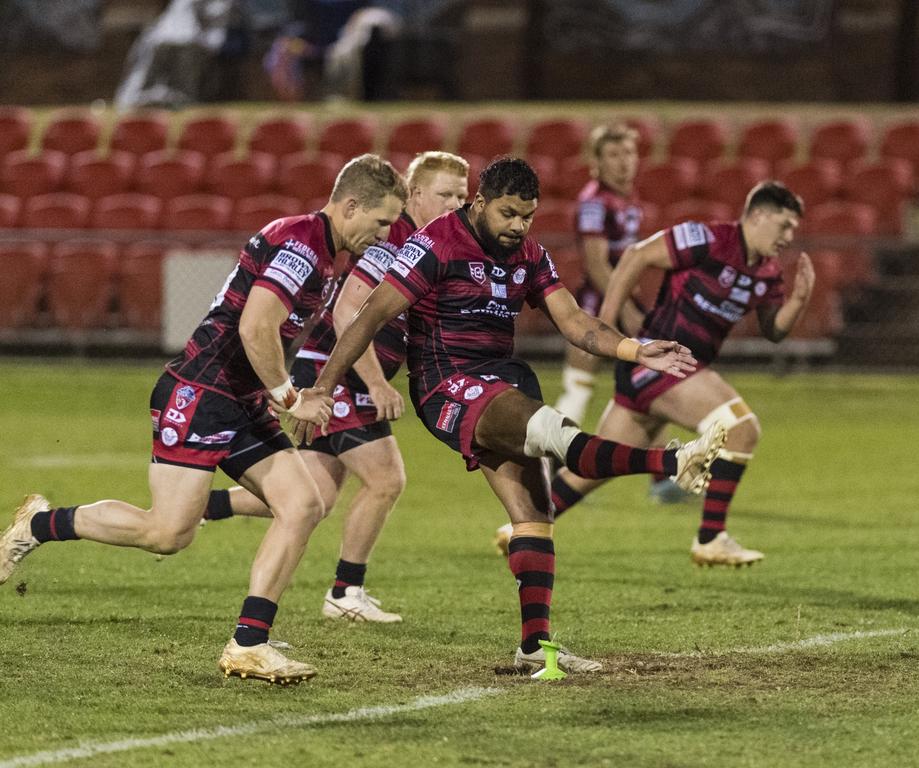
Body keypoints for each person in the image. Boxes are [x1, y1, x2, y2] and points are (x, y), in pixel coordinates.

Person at [293, 157, 726, 675]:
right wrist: (322, 385)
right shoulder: (435, 244)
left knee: (534, 518)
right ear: (479, 204)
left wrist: (635, 349)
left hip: (503, 380)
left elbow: (574, 321)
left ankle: (533, 649)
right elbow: (371, 315)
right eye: (508, 214)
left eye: (527, 215)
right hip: (448, 385)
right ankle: (670, 461)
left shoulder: (530, 254)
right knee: (555, 434)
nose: (518, 226)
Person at [0, 154, 408, 685]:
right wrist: (289, 397)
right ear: (351, 205)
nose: (383, 235)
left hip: (239, 399)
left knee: (303, 504)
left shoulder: (327, 251)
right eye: (380, 222)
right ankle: (35, 526)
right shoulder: (302, 244)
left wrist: (287, 394)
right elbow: (255, 327)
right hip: (200, 393)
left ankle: (249, 643)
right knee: (168, 533)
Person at [202, 151, 470, 624]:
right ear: (416, 194)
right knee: (387, 481)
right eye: (445, 194)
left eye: (462, 196)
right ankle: (345, 592)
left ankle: (205, 506)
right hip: (337, 375)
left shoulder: (430, 243)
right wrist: (375, 384)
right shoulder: (396, 240)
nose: (455, 204)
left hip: (332, 374)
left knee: (314, 500)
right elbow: (348, 310)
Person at [543, 181, 815, 567]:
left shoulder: (768, 271)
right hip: (663, 362)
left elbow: (774, 330)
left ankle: (523, 528)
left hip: (661, 375)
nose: (789, 236)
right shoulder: (708, 238)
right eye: (784, 225)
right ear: (758, 216)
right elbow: (637, 255)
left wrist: (800, 300)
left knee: (593, 468)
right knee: (742, 428)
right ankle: (711, 537)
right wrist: (606, 327)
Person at [549, 121, 683, 509]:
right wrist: (624, 308)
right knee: (581, 386)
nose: (623, 162)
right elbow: (596, 265)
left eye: (628, 153)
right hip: (597, 306)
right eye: (613, 154)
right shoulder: (594, 201)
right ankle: (551, 468)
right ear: (596, 161)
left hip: (620, 303)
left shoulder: (628, 198)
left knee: (651, 386)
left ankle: (661, 477)